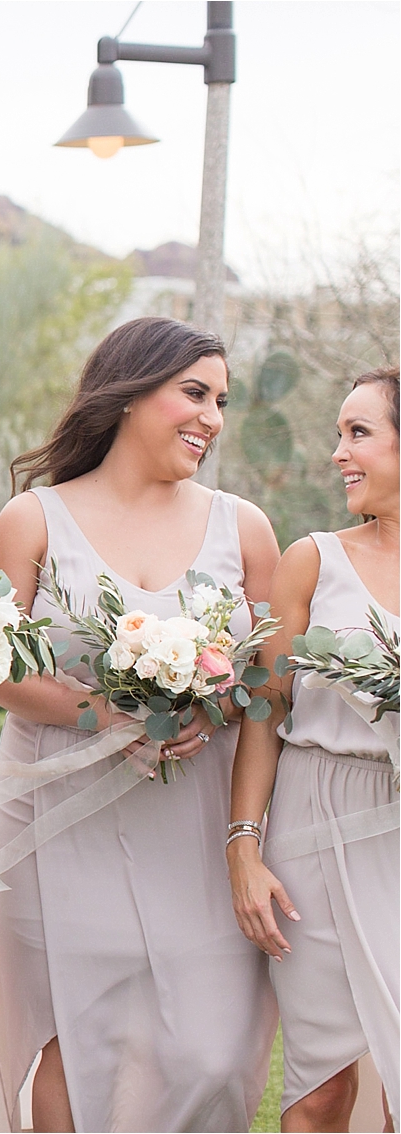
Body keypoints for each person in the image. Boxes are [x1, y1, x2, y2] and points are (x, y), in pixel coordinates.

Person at [0, 317, 281, 1132]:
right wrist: (106, 713)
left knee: (210, 1054)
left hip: (194, 816)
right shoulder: (34, 518)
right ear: (127, 394)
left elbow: (266, 678)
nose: (212, 417)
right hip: (57, 810)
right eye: (194, 393)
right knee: (72, 1043)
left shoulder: (243, 526)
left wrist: (210, 703)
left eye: (220, 400)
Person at [227, 366, 398, 1133]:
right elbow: (264, 712)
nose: (338, 452)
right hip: (318, 821)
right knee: (325, 1083)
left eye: (358, 433)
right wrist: (244, 848)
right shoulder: (313, 560)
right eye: (338, 433)